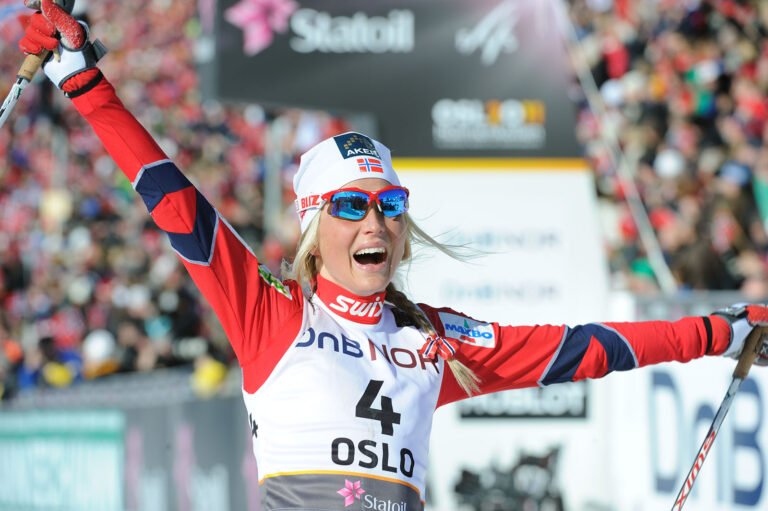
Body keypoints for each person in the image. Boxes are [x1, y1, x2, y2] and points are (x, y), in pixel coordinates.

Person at [17, 7, 768, 510]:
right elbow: (172, 198)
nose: (374, 219)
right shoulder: (273, 312)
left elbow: (587, 349)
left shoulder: (432, 341)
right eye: (351, 205)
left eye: (388, 205)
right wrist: (84, 83)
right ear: (315, 227)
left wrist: (724, 331)